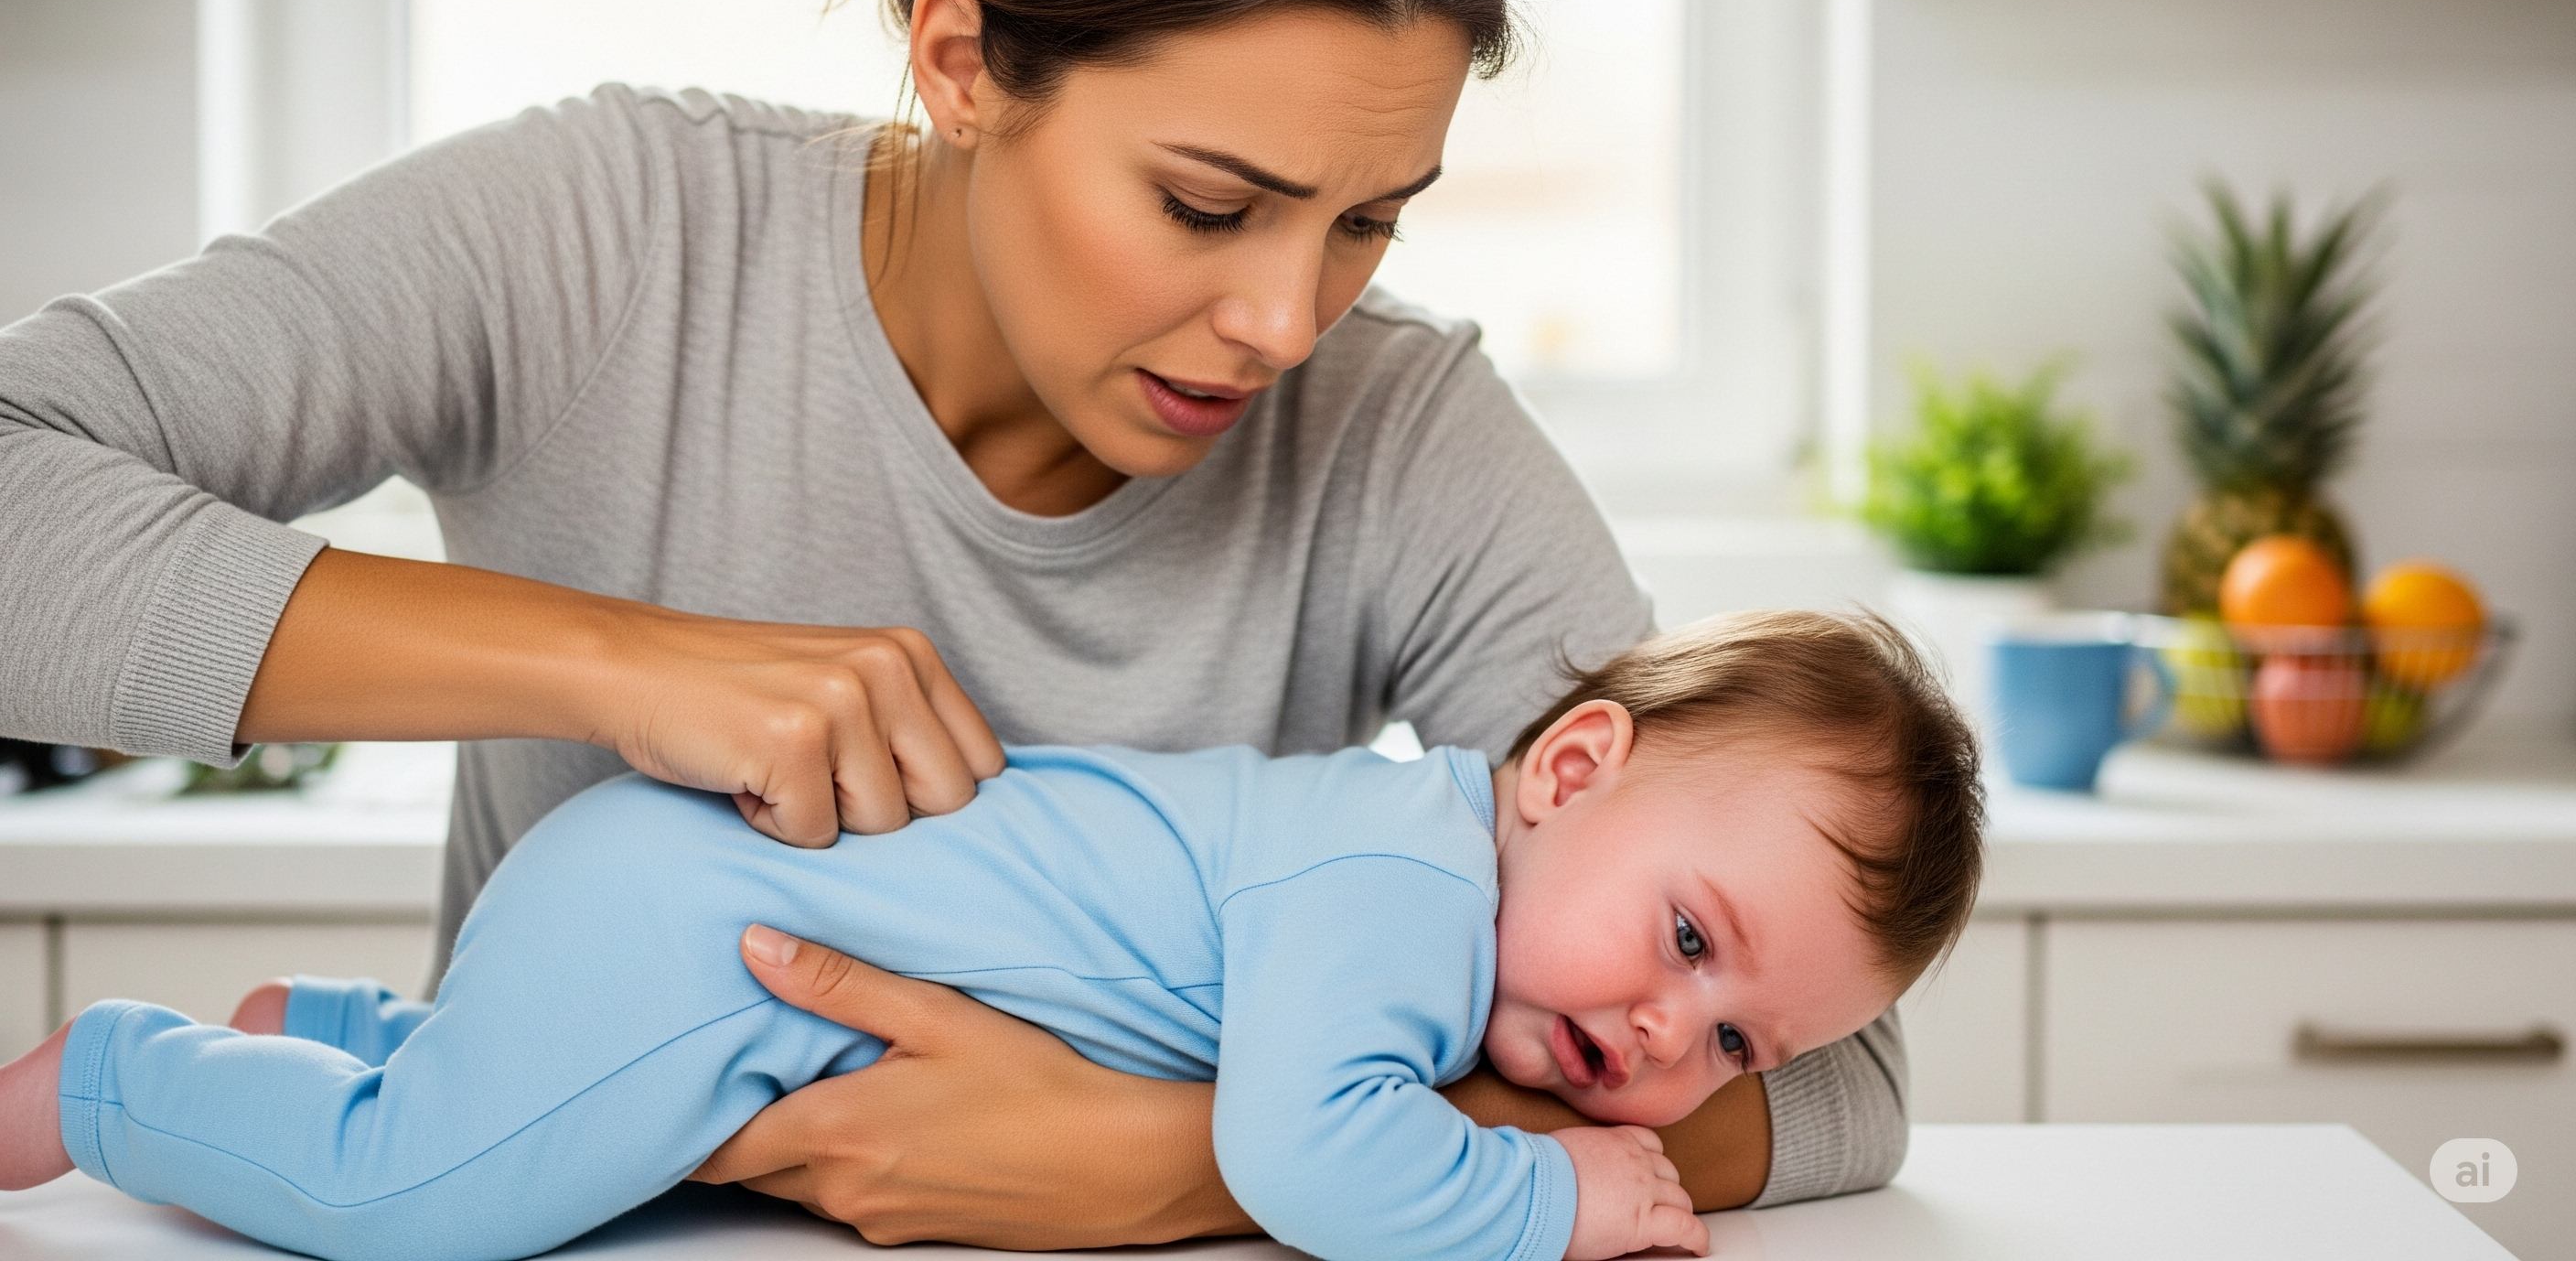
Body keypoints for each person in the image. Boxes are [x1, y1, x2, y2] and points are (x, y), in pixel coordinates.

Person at [0, 0, 1916, 1243]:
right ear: (963, 56)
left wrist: (1167, 1161)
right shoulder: (602, 238)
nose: (1285, 322)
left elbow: (1832, 1079)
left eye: (1367, 224)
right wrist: (622, 662)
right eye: (1209, 202)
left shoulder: (1405, 440)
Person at [0, 612, 1983, 1261]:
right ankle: (112, 1083)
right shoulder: (1399, 891)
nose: (1663, 1035)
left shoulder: (1412, 862)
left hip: (693, 916)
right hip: (708, 936)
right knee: (414, 1205)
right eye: (1691, 940)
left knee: (524, 1117)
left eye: (1736, 1046)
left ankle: (331, 1026)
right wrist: (1559, 1205)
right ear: (1565, 771)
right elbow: (1306, 1155)